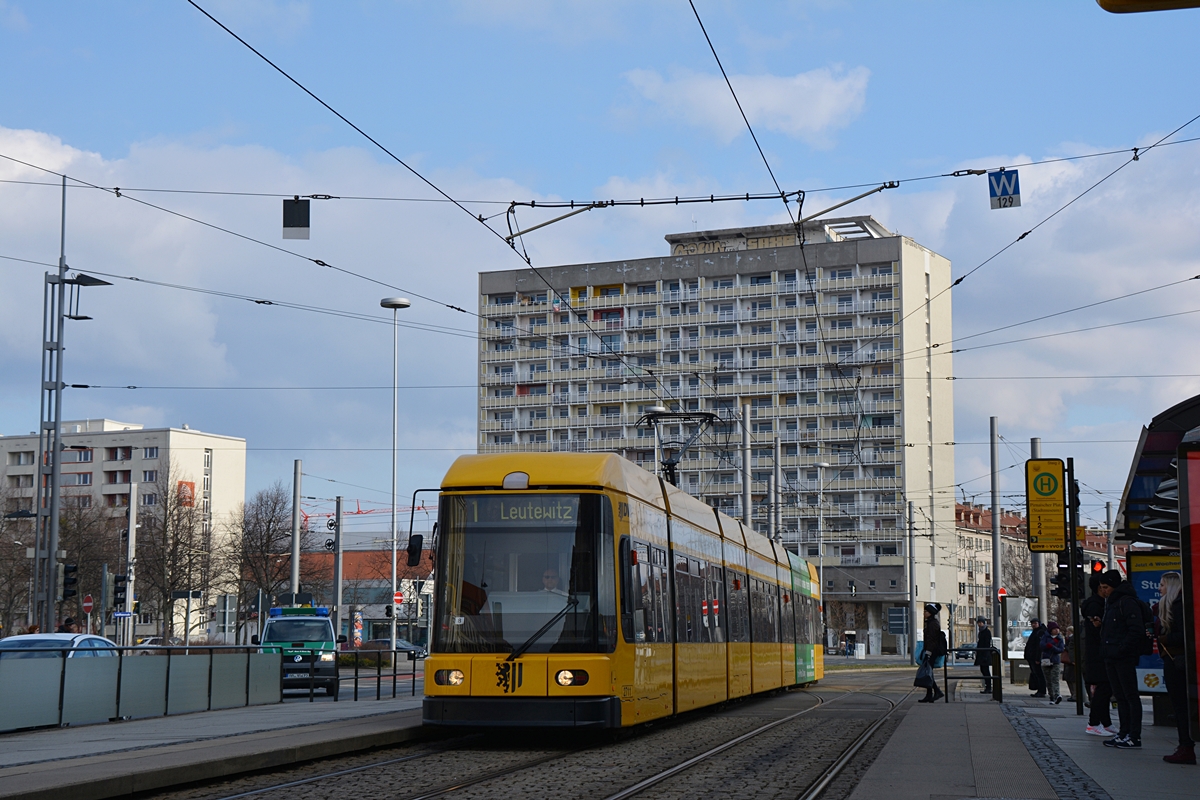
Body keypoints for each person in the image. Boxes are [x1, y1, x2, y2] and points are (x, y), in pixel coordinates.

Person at [1099, 569, 1145, 749]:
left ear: (1114, 586)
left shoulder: (1126, 602)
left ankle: (1134, 735)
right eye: (1102, 587)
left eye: (1106, 587)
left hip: (1122, 656)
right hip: (1112, 655)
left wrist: (1121, 649)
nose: (1103, 591)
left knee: (1130, 695)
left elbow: (1136, 629)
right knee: (1120, 696)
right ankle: (1124, 732)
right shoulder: (1112, 603)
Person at [1156, 572, 1195, 765]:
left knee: (1180, 705)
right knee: (1180, 705)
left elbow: (1185, 634)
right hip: (1176, 659)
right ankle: (1184, 745)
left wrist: (1164, 638)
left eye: (1162, 585)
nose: (1159, 588)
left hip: (1177, 660)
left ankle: (1185, 746)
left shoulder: (1177, 605)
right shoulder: (1174, 604)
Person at [1081, 574, 1116, 736]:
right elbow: (1097, 631)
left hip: (1097, 653)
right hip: (1098, 654)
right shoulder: (1097, 606)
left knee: (1105, 689)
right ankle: (1094, 723)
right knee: (1104, 689)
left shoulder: (1098, 604)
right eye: (1104, 587)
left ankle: (1105, 722)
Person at [918, 603, 947, 703]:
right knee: (928, 672)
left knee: (928, 672)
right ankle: (929, 694)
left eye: (926, 611)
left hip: (932, 651)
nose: (924, 613)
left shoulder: (933, 624)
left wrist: (928, 652)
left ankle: (937, 691)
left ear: (930, 613)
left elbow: (932, 640)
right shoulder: (930, 622)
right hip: (930, 650)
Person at [1040, 621, 1066, 704]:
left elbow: (1060, 649)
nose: (1057, 630)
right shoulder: (1045, 637)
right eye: (1054, 629)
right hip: (1046, 661)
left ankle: (1057, 695)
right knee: (1048, 680)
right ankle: (1051, 696)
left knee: (1055, 679)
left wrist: (1052, 647)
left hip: (1055, 661)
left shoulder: (1059, 639)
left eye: (1057, 629)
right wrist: (1047, 646)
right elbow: (1041, 646)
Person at [1024, 618, 1047, 697]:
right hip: (1032, 657)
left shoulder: (1040, 632)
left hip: (1035, 657)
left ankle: (1041, 691)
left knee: (1039, 674)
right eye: (1032, 623)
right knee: (1036, 674)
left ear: (1039, 623)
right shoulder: (1035, 632)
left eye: (1035, 623)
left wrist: (1038, 658)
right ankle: (1039, 690)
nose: (1033, 625)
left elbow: (1039, 647)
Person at [974, 616, 993, 693]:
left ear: (983, 623)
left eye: (980, 623)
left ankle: (988, 687)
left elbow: (986, 644)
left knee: (986, 671)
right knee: (983, 670)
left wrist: (985, 655)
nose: (979, 624)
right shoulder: (981, 632)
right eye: (978, 623)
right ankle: (987, 687)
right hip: (982, 654)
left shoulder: (986, 632)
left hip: (985, 654)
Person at [1062, 626, 1076, 703]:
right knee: (1069, 679)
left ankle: (1074, 695)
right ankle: (1073, 694)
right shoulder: (1068, 639)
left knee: (1072, 679)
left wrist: (1065, 647)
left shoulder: (1072, 639)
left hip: (1071, 661)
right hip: (1068, 662)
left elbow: (1071, 648)